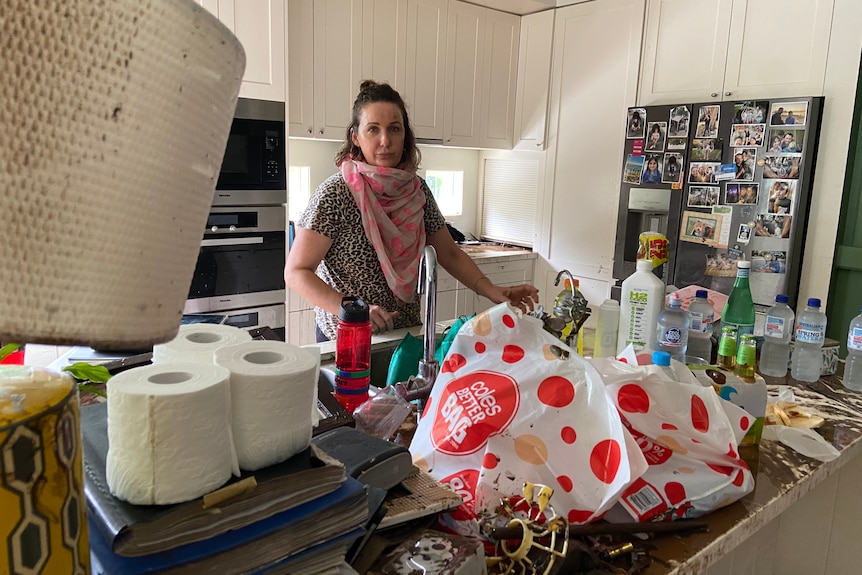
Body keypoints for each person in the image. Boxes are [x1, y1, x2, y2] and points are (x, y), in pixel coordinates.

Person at [285, 80, 539, 341]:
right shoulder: (336, 193)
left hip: (404, 335)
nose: (385, 140)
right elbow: (296, 272)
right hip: (348, 338)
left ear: (405, 134)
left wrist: (492, 290)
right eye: (373, 129)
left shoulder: (417, 191)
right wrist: (352, 309)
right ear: (356, 137)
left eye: (394, 129)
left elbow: (449, 253)